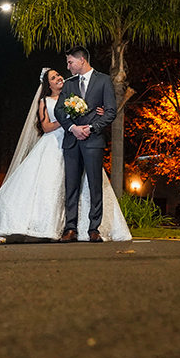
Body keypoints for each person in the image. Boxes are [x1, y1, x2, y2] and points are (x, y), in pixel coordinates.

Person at [0, 67, 130, 243]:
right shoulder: (46, 101)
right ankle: (44, 226)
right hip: (54, 144)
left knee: (82, 185)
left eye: (59, 75)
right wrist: (69, 121)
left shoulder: (73, 96)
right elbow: (46, 126)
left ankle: (83, 228)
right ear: (48, 85)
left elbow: (93, 108)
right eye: (54, 78)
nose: (59, 78)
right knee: (49, 186)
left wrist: (95, 113)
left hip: (76, 144)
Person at [54, 46, 117, 242]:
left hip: (93, 141)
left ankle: (93, 229)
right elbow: (58, 110)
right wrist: (72, 128)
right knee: (71, 186)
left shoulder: (104, 80)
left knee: (94, 185)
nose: (68, 66)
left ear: (82, 60)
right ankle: (70, 229)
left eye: (70, 62)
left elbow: (110, 111)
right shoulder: (69, 84)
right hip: (72, 142)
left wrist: (91, 128)